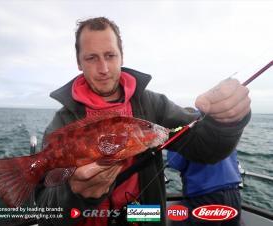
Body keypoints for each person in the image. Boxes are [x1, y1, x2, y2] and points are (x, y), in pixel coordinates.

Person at [34, 17, 251, 226]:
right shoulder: (62, 123)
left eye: (110, 55)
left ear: (122, 56)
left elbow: (208, 149)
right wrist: (75, 194)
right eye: (91, 58)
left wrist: (227, 121)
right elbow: (47, 212)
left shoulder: (153, 104)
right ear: (79, 62)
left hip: (144, 215)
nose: (103, 69)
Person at [167, 108, 242, 226]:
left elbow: (176, 163)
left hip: (206, 198)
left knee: (176, 217)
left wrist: (173, 139)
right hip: (234, 196)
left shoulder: (187, 133)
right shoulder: (220, 136)